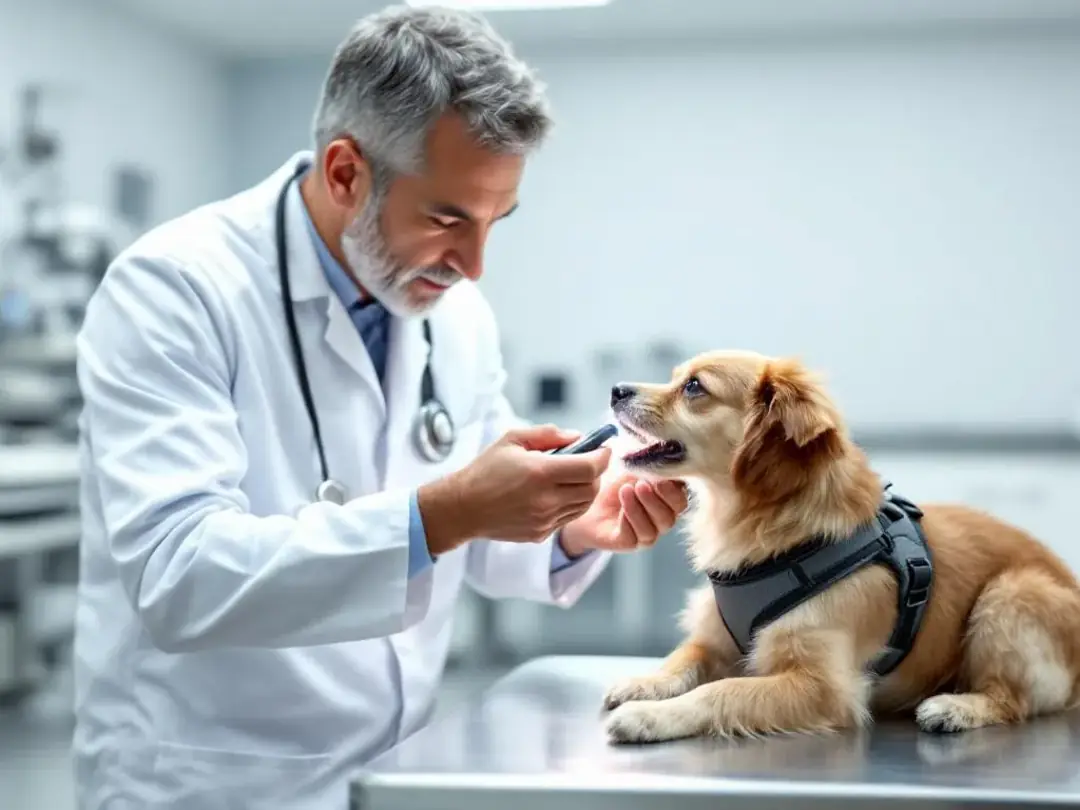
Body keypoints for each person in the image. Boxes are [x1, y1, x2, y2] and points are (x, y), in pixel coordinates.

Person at [70, 5, 687, 809]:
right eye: (445, 219)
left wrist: (571, 523)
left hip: (394, 770)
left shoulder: (452, 314)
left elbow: (478, 534)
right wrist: (441, 513)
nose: (473, 265)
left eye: (496, 221)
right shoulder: (176, 289)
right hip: (215, 779)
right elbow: (179, 577)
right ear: (343, 173)